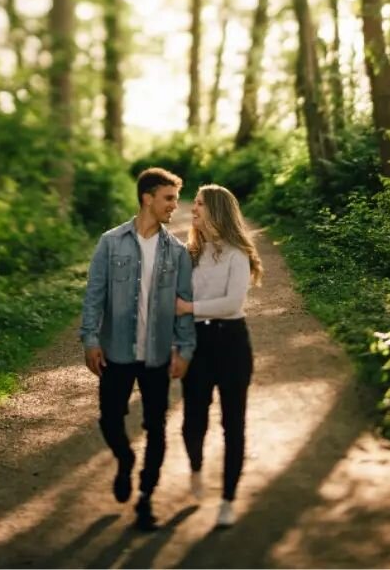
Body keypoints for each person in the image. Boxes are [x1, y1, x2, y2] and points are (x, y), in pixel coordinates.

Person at [81, 166, 197, 531]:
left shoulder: (176, 252)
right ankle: (125, 460)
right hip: (116, 352)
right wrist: (90, 339)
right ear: (147, 197)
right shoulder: (111, 242)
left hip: (157, 354)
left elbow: (185, 303)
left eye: (176, 200)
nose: (174, 207)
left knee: (157, 427)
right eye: (168, 199)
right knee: (109, 419)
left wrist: (185, 350)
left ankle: (146, 497)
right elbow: (94, 295)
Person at [173, 183, 262, 529]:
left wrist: (187, 308)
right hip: (197, 343)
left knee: (233, 424)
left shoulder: (237, 254)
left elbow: (232, 304)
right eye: (193, 203)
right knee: (193, 420)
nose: (192, 209)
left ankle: (227, 498)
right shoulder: (188, 254)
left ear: (217, 210)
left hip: (232, 345)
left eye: (198, 204)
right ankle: (196, 470)